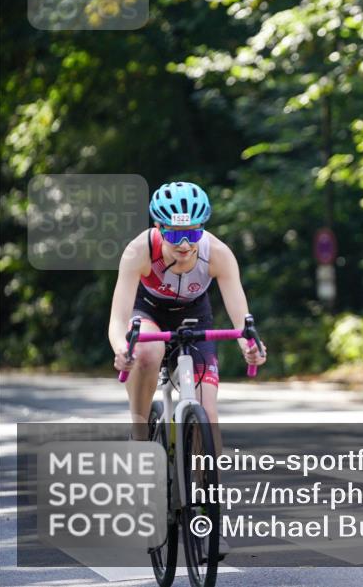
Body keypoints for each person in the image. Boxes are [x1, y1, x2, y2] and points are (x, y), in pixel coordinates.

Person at [107, 181, 266, 557]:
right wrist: (121, 348)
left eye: (192, 232)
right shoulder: (138, 252)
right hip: (147, 315)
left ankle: (206, 517)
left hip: (196, 317)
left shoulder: (218, 254)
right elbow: (118, 319)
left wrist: (250, 345)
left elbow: (242, 318)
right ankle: (140, 434)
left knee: (207, 417)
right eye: (175, 233)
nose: (184, 243)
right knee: (149, 351)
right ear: (159, 228)